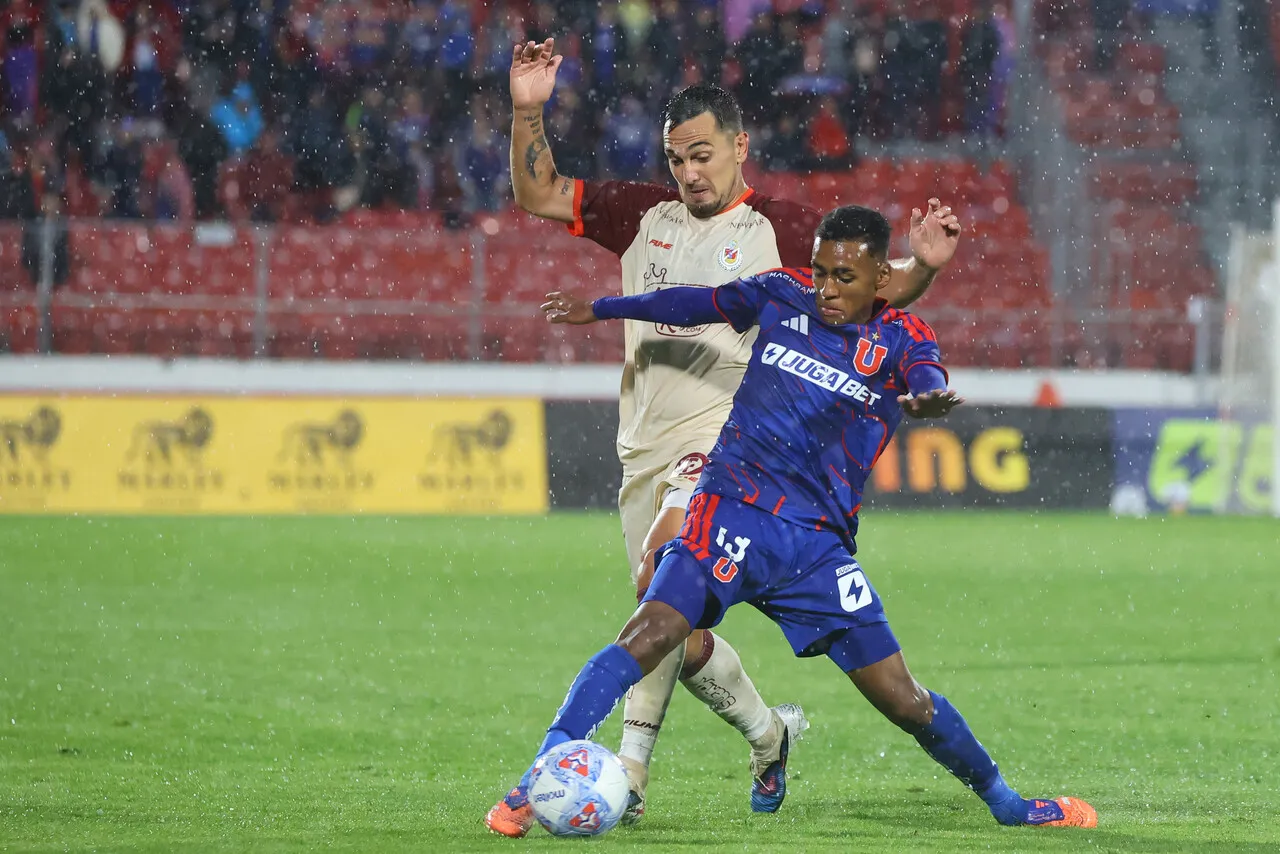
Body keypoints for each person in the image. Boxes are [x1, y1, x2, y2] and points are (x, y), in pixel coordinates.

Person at [485, 39, 964, 837]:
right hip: (642, 443)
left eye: (702, 155)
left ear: (740, 145)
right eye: (677, 159)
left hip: (724, 444)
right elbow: (540, 193)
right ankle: (768, 734)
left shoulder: (786, 230)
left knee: (657, 579)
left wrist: (927, 267)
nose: (689, 173)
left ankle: (628, 768)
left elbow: (875, 291)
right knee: (677, 628)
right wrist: (528, 107)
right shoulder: (642, 216)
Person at [490, 205, 1098, 831]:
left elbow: (925, 374)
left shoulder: (903, 339)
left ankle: (1008, 805)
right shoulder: (783, 295)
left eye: (843, 277)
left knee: (904, 699)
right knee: (649, 632)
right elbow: (695, 302)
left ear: (880, 279)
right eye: (820, 270)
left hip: (813, 549)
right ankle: (534, 780)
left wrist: (924, 398)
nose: (826, 288)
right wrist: (604, 308)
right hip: (729, 510)